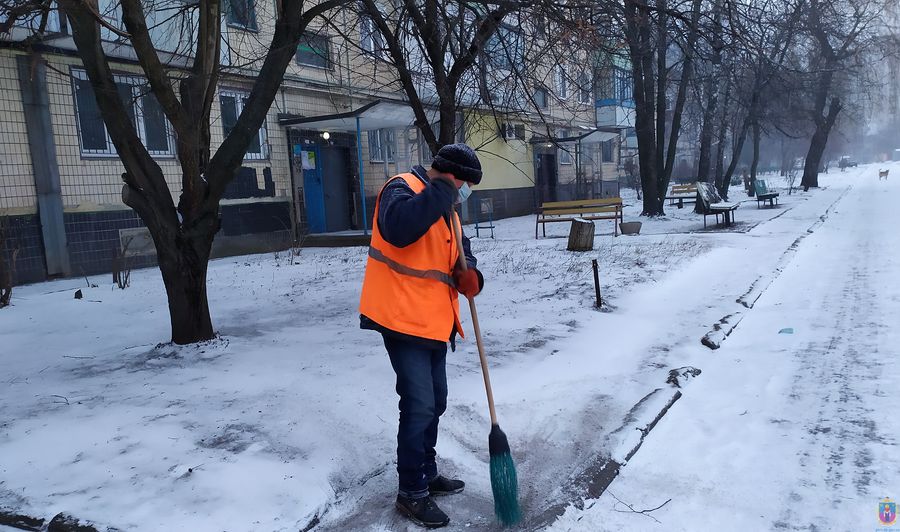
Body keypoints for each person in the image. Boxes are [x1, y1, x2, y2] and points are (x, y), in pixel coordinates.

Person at [359, 143, 485, 528]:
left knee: (437, 401)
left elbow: (460, 252)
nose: (466, 192)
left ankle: (427, 473)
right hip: (400, 317)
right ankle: (411, 491)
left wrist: (472, 276)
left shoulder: (445, 206)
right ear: (450, 176)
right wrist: (441, 191)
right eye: (464, 184)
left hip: (433, 321)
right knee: (419, 405)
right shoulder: (400, 189)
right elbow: (399, 230)